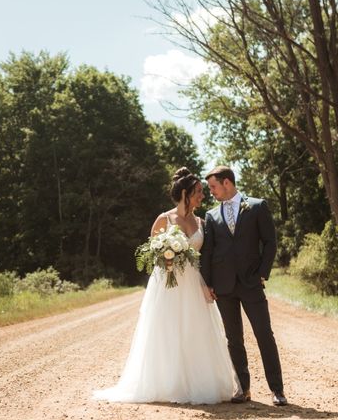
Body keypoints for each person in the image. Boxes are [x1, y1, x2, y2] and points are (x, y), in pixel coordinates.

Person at [93, 167, 239, 404]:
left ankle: (198, 382)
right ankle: (167, 382)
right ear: (185, 193)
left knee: (195, 331)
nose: (203, 196)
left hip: (193, 283)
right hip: (167, 285)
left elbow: (207, 258)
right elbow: (151, 253)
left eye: (203, 191)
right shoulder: (165, 219)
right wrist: (168, 257)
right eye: (199, 192)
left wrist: (206, 284)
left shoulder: (202, 222)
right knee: (167, 331)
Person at [201, 165, 287, 406]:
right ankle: (243, 389)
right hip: (224, 286)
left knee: (264, 335)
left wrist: (263, 273)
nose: (212, 192)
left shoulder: (257, 206)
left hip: (251, 282)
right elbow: (208, 252)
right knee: (234, 339)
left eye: (214, 187)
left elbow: (270, 242)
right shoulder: (211, 215)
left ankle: (277, 390)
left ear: (227, 182)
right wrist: (208, 283)